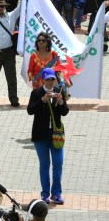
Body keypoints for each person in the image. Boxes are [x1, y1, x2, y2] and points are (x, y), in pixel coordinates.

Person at [27, 68, 69, 205]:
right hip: (41, 135)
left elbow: (65, 112)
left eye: (52, 79)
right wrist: (43, 100)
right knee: (45, 164)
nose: (50, 82)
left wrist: (61, 102)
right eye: (48, 79)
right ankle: (45, 194)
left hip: (56, 135)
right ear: (43, 80)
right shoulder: (36, 93)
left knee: (58, 163)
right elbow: (30, 110)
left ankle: (56, 194)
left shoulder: (59, 91)